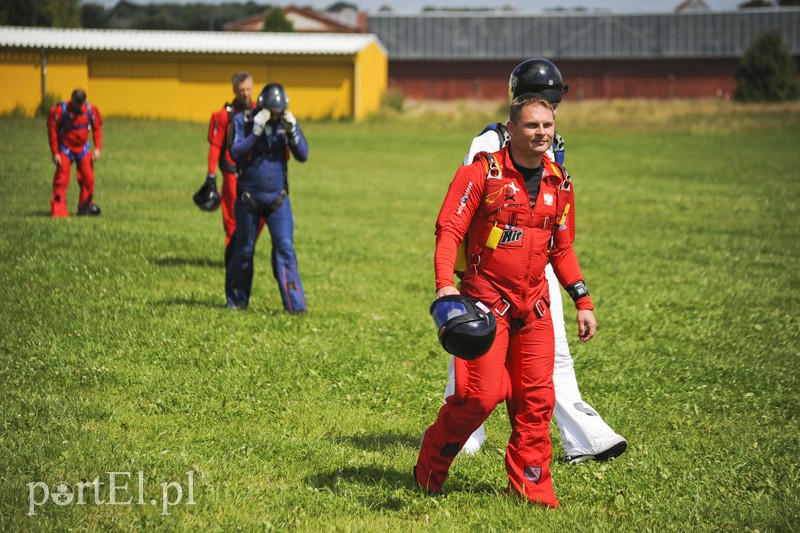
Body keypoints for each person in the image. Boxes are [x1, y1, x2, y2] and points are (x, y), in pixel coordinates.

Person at [415, 94, 595, 507]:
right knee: (478, 397)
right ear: (510, 129)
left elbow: (562, 249)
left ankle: (531, 491)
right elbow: (449, 230)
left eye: (547, 125)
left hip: (534, 308)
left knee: (536, 401)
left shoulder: (560, 182)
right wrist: (444, 285)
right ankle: (428, 471)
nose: (541, 133)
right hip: (485, 304)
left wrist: (582, 299)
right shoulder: (482, 172)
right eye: (532, 125)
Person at [446, 58, 626, 464]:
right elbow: (467, 206)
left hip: (537, 267)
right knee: (474, 347)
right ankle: (463, 434)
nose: (552, 113)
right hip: (490, 270)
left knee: (552, 355)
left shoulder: (553, 140)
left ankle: (585, 437)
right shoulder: (489, 141)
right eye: (550, 100)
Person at [225, 83, 308, 313]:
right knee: (244, 249)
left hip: (277, 200)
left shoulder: (285, 124)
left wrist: (293, 132)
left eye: (279, 112)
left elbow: (303, 155)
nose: (275, 117)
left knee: (285, 248)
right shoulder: (244, 121)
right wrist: (255, 132)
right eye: (272, 112)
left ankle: (295, 306)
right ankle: (236, 301)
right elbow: (235, 153)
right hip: (249, 199)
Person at [193, 71, 255, 250]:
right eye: (241, 90)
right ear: (235, 91)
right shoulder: (224, 115)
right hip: (232, 172)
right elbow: (215, 146)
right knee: (233, 216)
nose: (245, 93)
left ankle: (246, 249)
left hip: (254, 171)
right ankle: (232, 254)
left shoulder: (260, 111)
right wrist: (211, 175)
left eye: (248, 89)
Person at [46, 88, 103, 217]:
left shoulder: (90, 111)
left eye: (80, 102)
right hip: (65, 149)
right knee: (62, 179)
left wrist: (97, 148)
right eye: (76, 102)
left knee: (88, 178)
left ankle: (85, 206)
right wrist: (55, 152)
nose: (78, 105)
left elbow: (97, 129)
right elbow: (52, 131)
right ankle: (58, 210)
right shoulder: (61, 111)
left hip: (83, 149)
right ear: (72, 99)